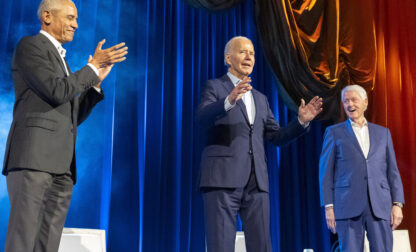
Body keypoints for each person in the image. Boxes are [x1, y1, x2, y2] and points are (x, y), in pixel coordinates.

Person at [2, 0, 128, 251]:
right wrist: (91, 67)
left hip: (62, 168)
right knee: (23, 240)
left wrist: (95, 85)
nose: (76, 25)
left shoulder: (63, 62)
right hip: (33, 162)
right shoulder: (31, 46)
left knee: (48, 244)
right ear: (47, 16)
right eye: (70, 18)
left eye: (77, 19)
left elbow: (71, 116)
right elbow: (57, 91)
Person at [197, 36, 323, 252]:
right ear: (228, 58)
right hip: (222, 179)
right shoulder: (216, 87)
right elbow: (201, 118)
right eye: (243, 52)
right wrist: (229, 101)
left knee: (262, 246)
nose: (249, 57)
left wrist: (301, 121)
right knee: (221, 246)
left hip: (257, 183)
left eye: (253, 53)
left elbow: (277, 136)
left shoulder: (260, 98)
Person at [319, 85, 405, 251]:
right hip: (347, 206)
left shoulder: (383, 133)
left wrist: (397, 204)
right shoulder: (333, 132)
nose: (350, 104)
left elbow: (392, 171)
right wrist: (329, 207)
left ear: (365, 102)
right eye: (346, 101)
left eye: (354, 100)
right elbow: (325, 173)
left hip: (380, 206)